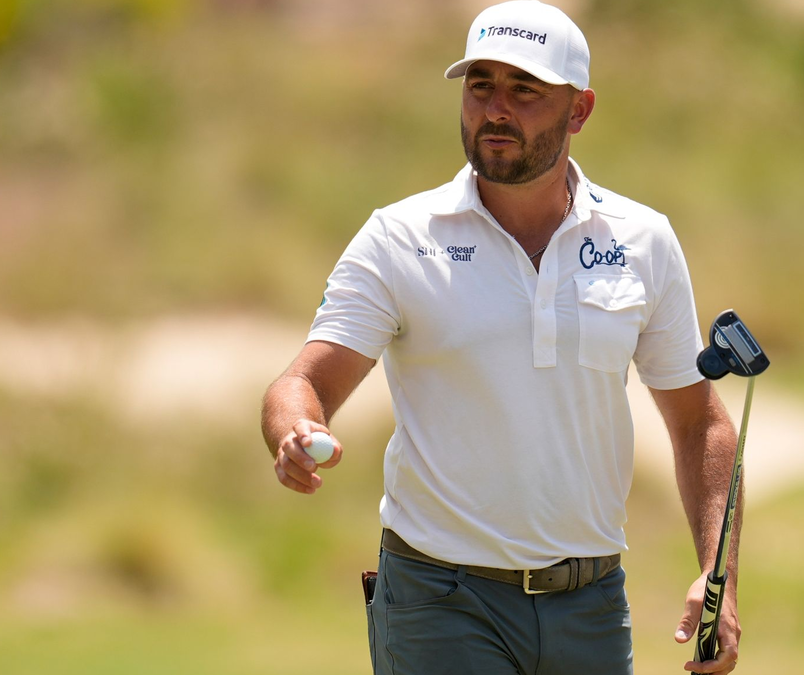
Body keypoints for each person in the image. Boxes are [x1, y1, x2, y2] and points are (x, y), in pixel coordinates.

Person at [261, 2, 742, 673]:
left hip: (591, 605)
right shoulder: (401, 237)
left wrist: (719, 576)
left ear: (578, 111)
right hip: (440, 600)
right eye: (480, 84)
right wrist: (293, 429)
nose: (494, 109)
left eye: (524, 90)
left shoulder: (642, 241)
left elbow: (700, 423)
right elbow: (303, 382)